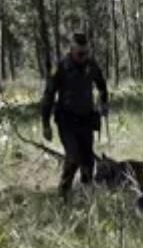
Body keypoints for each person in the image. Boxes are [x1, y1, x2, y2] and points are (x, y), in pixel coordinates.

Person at [40, 32, 109, 198]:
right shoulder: (61, 68)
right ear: (71, 50)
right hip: (67, 121)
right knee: (73, 157)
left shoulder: (91, 65)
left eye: (86, 53)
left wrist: (104, 101)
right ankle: (63, 194)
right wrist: (45, 124)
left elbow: (102, 84)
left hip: (86, 119)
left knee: (88, 160)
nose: (84, 57)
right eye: (80, 53)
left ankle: (86, 194)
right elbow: (48, 95)